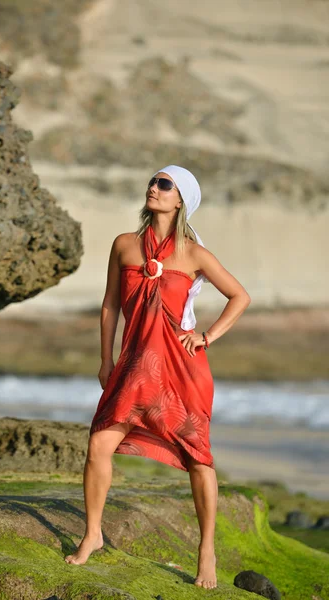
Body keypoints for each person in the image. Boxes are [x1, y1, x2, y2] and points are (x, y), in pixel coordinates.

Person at [64, 165, 251, 590]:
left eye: (164, 184)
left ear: (180, 198)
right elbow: (110, 304)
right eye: (152, 181)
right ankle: (93, 533)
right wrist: (104, 359)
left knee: (198, 458)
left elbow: (240, 296)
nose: (154, 187)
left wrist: (206, 337)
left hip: (183, 368)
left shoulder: (194, 254)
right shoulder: (125, 245)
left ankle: (206, 550)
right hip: (134, 366)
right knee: (99, 443)